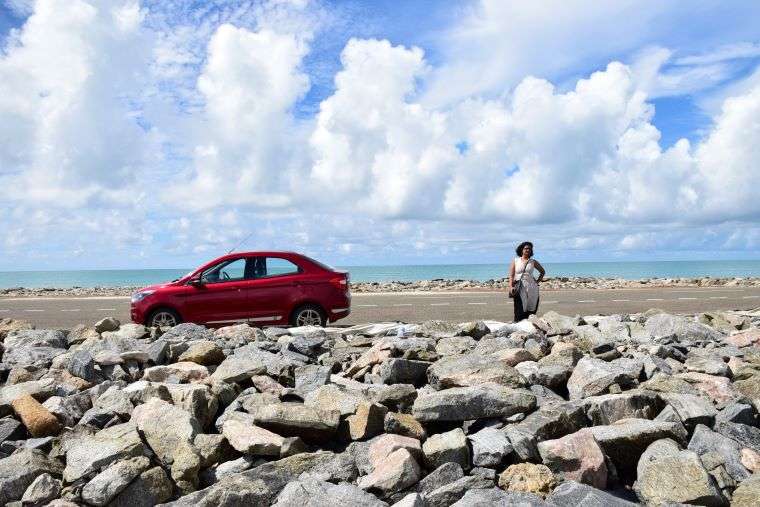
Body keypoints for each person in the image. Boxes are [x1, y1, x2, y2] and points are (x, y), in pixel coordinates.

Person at [509, 241, 546, 321]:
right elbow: (511, 276)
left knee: (531, 307)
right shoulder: (516, 261)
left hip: (532, 288)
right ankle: (518, 326)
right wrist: (511, 286)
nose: (528, 250)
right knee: (519, 308)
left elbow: (542, 271)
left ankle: (529, 327)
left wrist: (537, 281)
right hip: (519, 287)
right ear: (521, 250)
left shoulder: (533, 262)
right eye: (526, 248)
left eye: (529, 249)